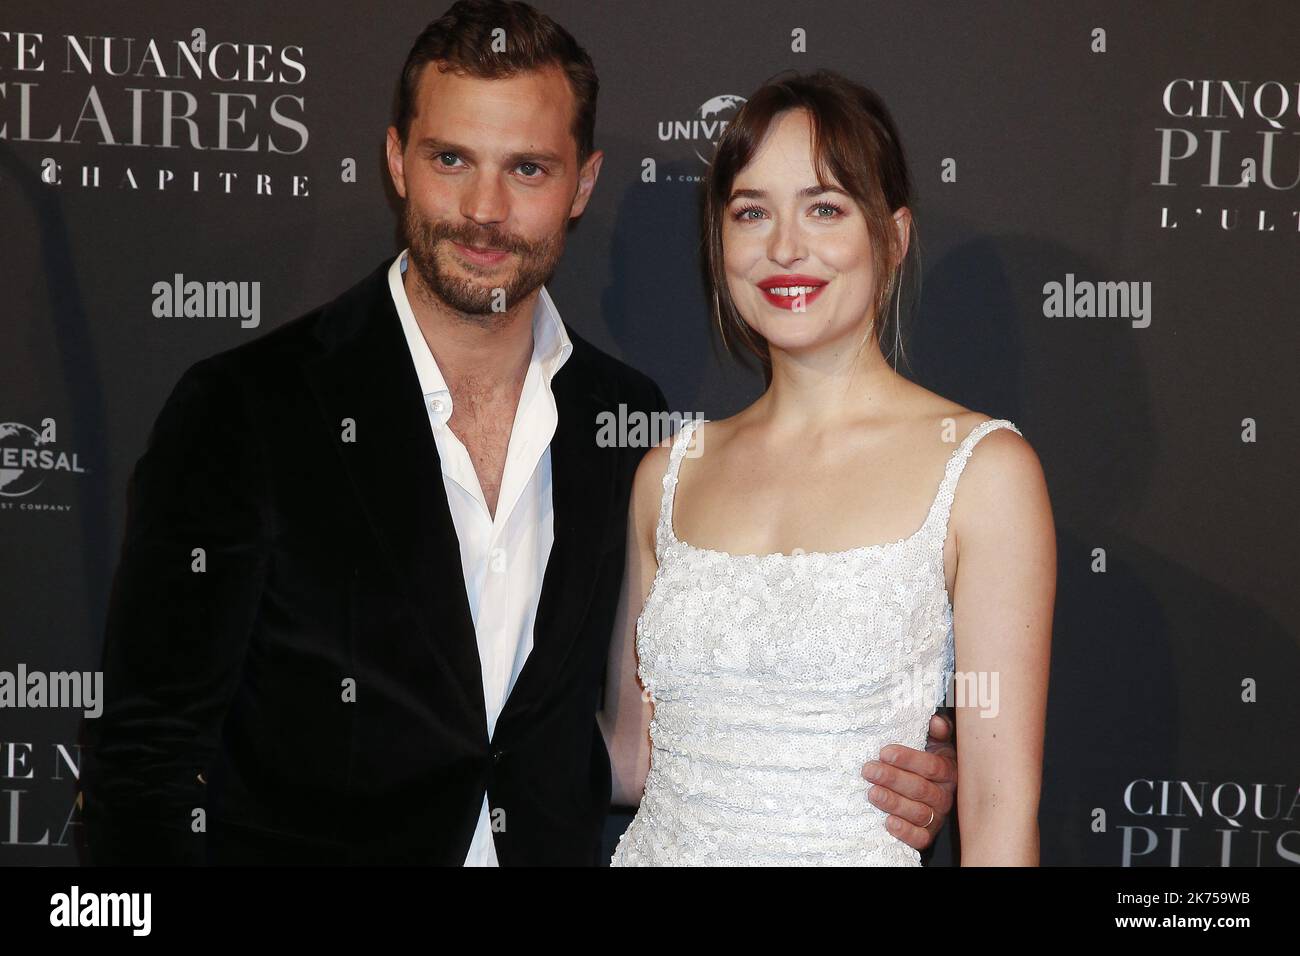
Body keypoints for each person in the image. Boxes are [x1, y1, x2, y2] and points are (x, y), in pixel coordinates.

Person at [81, 2, 958, 866]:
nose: (484, 209)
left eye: (528, 169)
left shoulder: (627, 427)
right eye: (452, 159)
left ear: (581, 184)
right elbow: (146, 762)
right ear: (396, 159)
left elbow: (655, 734)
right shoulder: (247, 409)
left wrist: (879, 771)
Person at [605, 70, 1055, 865]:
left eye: (824, 208)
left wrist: (950, 771)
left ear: (893, 237)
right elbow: (628, 759)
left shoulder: (984, 471)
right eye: (752, 213)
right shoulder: (669, 475)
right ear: (721, 244)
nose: (784, 247)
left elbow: (997, 810)